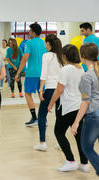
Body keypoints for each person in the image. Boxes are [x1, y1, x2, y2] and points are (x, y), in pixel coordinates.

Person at [48, 44, 89, 172]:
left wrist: (50, 104)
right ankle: (84, 164)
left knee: (59, 132)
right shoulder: (81, 69)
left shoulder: (66, 69)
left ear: (65, 56)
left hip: (67, 107)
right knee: (79, 135)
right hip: (79, 107)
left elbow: (59, 90)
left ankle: (70, 160)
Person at [71, 43, 99, 176]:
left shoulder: (86, 76)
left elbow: (86, 102)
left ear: (82, 57)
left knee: (87, 147)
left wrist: (76, 122)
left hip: (94, 116)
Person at [33, 34, 63, 151]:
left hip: (50, 89)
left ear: (49, 44)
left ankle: (42, 142)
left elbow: (43, 74)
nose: (44, 45)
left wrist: (41, 90)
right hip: (61, 89)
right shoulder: (61, 56)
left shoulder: (46, 56)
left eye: (45, 42)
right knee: (60, 116)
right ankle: (61, 142)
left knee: (41, 115)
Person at [15, 23, 47, 127]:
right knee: (42, 95)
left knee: (28, 94)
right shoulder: (44, 43)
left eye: (30, 31)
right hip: (42, 73)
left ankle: (34, 118)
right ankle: (43, 119)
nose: (29, 33)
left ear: (33, 32)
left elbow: (25, 58)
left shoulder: (29, 43)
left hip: (32, 73)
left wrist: (18, 73)